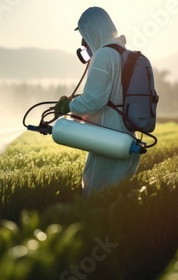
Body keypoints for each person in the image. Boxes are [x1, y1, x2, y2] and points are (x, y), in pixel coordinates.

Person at [55, 6, 141, 197]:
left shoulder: (104, 55)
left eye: (85, 35)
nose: (84, 42)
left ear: (93, 30)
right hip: (127, 137)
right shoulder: (123, 53)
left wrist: (68, 106)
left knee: (96, 198)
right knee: (119, 199)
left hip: (107, 139)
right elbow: (109, 96)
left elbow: (94, 101)